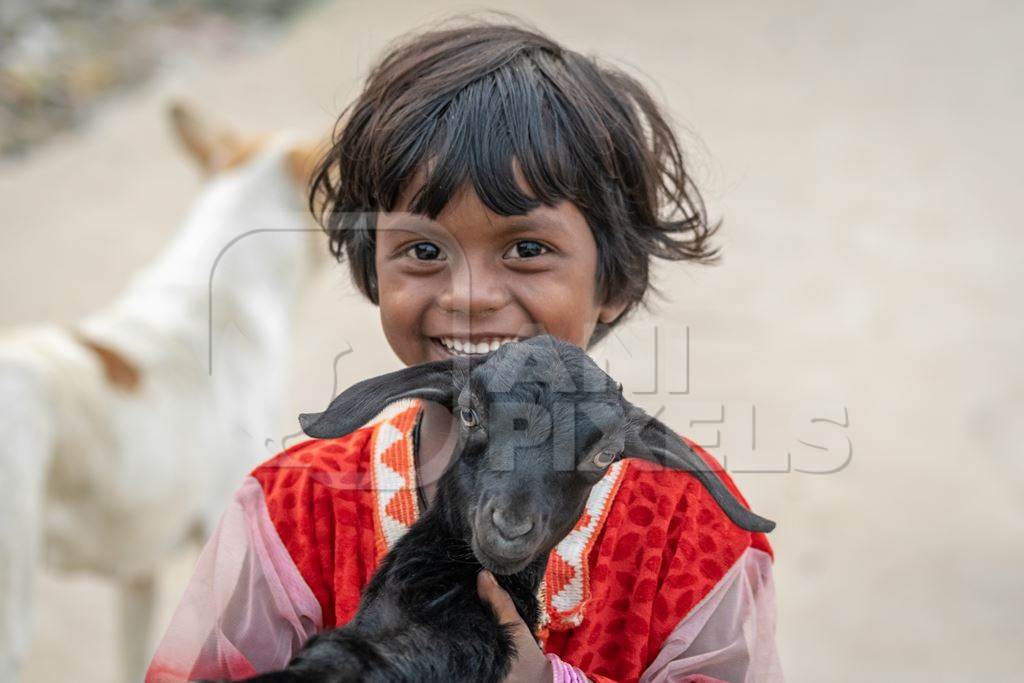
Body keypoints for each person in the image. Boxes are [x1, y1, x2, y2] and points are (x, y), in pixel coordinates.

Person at [146, 19, 781, 683]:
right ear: (372, 268)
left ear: (613, 282)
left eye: (528, 249)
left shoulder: (690, 527)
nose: (470, 295)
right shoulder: (294, 508)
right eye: (423, 250)